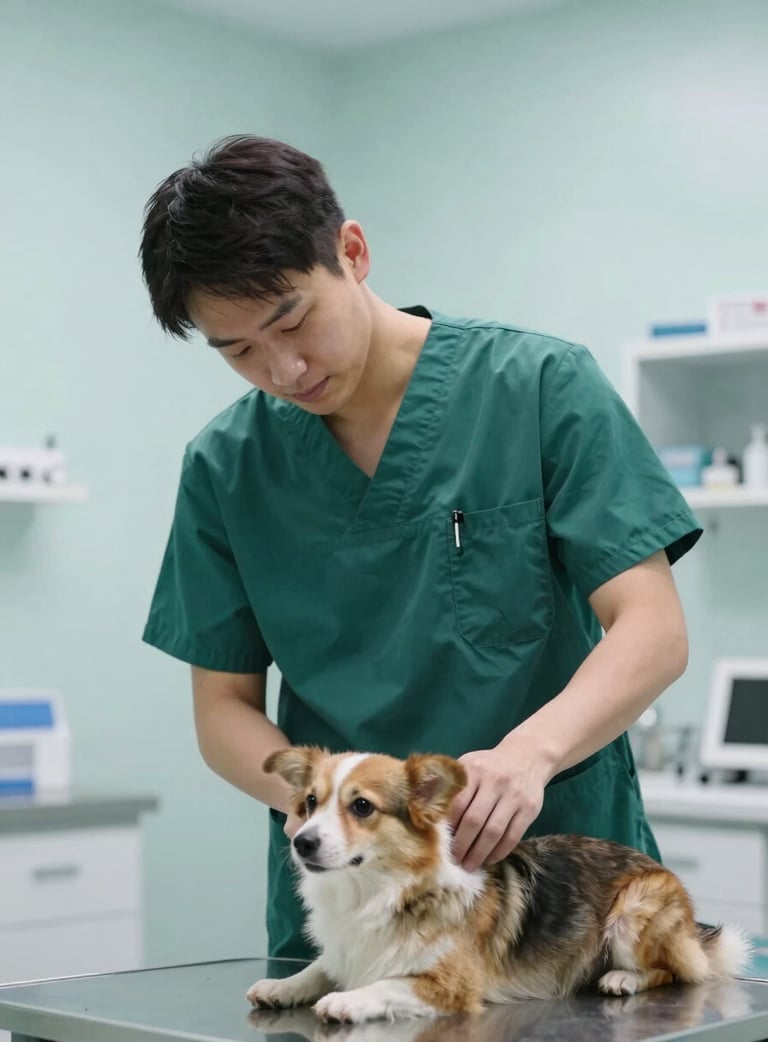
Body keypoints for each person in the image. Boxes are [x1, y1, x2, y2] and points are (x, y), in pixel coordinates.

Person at [139, 134, 702, 961]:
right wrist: (317, 807)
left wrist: (525, 759)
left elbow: (653, 628)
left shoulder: (538, 387)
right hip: (352, 901)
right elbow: (222, 707)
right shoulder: (226, 466)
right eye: (238, 352)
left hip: (553, 886)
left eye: (291, 319)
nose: (284, 368)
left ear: (353, 253)